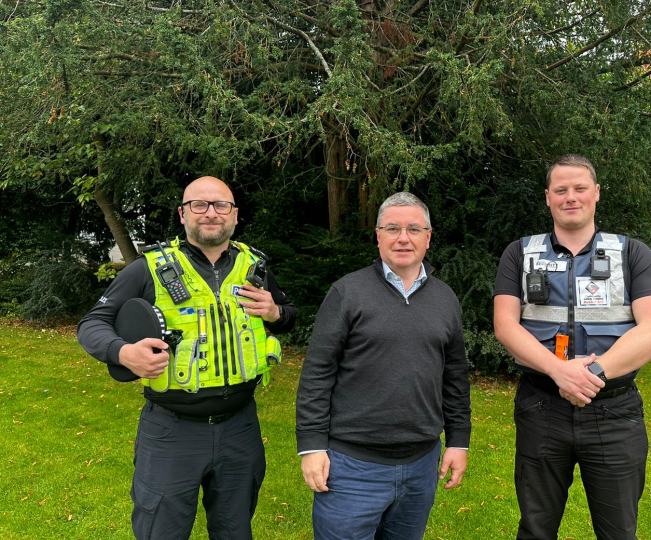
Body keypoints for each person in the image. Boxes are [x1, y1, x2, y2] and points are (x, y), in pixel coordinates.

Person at [77, 176, 297, 540]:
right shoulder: (148, 268)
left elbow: (288, 315)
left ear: (234, 215)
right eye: (200, 205)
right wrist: (123, 352)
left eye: (221, 205)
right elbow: (92, 324)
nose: (211, 213)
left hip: (240, 427)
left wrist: (276, 313)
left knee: (235, 531)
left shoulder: (254, 267)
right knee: (161, 531)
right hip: (171, 431)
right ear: (183, 214)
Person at [493, 154, 651, 540]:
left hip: (613, 411)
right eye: (560, 190)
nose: (570, 197)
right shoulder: (519, 253)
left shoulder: (631, 253)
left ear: (596, 194)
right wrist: (559, 371)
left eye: (579, 188)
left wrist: (590, 374)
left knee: (619, 532)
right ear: (547, 197)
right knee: (536, 530)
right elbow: (505, 325)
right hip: (541, 409)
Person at [295, 192, 471, 540]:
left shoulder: (445, 299)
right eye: (392, 228)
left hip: (421, 464)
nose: (403, 238)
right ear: (378, 235)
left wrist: (458, 441)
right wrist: (312, 446)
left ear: (428, 237)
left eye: (413, 229)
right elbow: (317, 373)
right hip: (350, 467)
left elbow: (455, 377)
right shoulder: (347, 293)